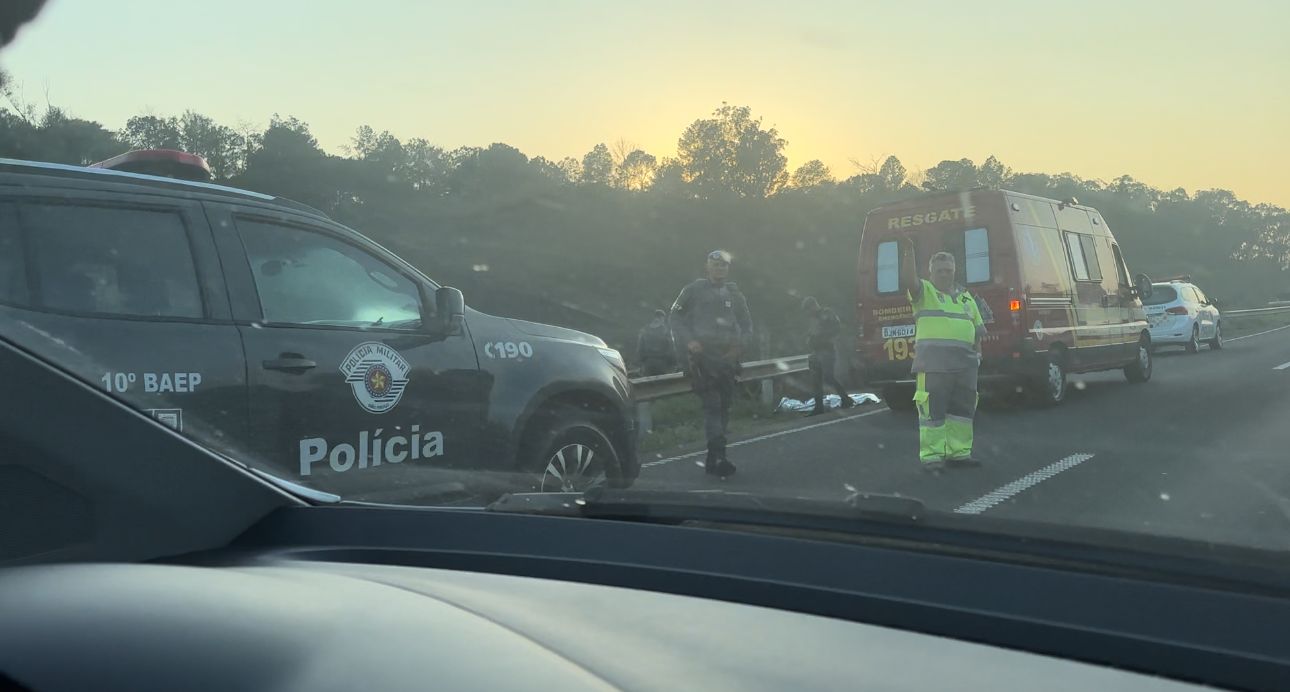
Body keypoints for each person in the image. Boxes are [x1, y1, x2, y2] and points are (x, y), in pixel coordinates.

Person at [899, 245, 985, 473]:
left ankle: (959, 453)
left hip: (965, 365)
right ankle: (933, 457)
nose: (944, 274)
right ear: (930, 273)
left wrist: (978, 354)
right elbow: (909, 279)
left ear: (955, 270)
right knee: (932, 412)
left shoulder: (966, 297)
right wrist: (908, 251)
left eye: (948, 270)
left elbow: (977, 330)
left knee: (963, 411)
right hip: (934, 365)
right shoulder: (923, 292)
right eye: (939, 271)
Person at [670, 250, 752, 479]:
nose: (720, 269)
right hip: (702, 359)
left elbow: (747, 325)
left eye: (724, 266)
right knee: (713, 407)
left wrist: (740, 346)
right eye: (715, 265)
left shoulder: (735, 295)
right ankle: (719, 457)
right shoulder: (692, 290)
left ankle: (714, 455)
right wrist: (689, 342)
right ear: (707, 266)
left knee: (724, 409)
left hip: (727, 359)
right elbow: (674, 318)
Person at [801, 297, 854, 416]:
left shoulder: (827, 313)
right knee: (816, 380)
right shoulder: (812, 319)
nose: (807, 313)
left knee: (828, 378)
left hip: (827, 350)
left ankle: (846, 399)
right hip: (815, 351)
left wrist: (822, 336)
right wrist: (809, 338)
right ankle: (818, 407)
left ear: (813, 306)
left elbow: (837, 328)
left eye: (808, 309)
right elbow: (811, 332)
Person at [636, 309, 676, 376]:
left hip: (648, 364)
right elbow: (671, 348)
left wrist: (641, 363)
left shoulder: (644, 331)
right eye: (663, 319)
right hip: (663, 363)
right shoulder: (666, 331)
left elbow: (640, 349)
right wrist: (673, 363)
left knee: (649, 385)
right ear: (661, 318)